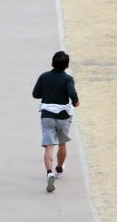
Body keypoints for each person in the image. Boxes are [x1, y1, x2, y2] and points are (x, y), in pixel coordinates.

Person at [32, 51, 80, 193]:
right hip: (63, 116)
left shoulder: (44, 76)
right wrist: (76, 102)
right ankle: (59, 169)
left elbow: (35, 94)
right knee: (62, 143)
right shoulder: (68, 79)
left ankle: (49, 173)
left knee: (49, 146)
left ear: (51, 63)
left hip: (47, 115)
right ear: (67, 66)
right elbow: (72, 93)